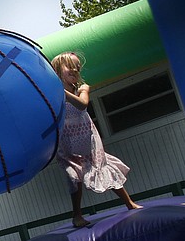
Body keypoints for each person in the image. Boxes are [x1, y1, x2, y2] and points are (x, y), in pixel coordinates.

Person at [51, 51, 142, 228]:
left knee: (103, 167)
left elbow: (82, 105)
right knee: (73, 175)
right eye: (70, 66)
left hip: (87, 139)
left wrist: (60, 91)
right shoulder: (52, 95)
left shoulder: (82, 88)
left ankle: (129, 202)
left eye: (77, 67)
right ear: (57, 69)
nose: (75, 70)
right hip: (68, 142)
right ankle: (77, 215)